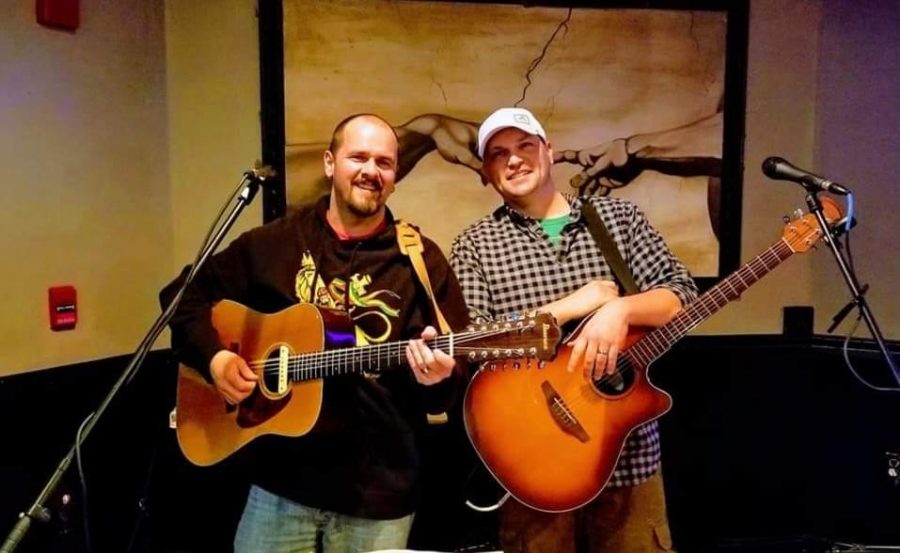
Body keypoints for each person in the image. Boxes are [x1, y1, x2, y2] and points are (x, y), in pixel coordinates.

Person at [160, 113, 469, 553]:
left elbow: (448, 385)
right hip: (280, 487)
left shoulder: (421, 261)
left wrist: (438, 379)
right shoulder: (276, 242)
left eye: (384, 162)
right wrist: (215, 358)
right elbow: (181, 298)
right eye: (358, 157)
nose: (370, 171)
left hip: (379, 494)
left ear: (395, 177)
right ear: (330, 163)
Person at [450, 107, 699, 553]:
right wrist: (570, 307)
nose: (514, 160)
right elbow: (474, 342)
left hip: (630, 462)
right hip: (535, 468)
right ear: (487, 173)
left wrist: (621, 309)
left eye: (526, 146)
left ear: (549, 151)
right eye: (498, 154)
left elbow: (680, 295)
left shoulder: (619, 219)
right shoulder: (475, 244)